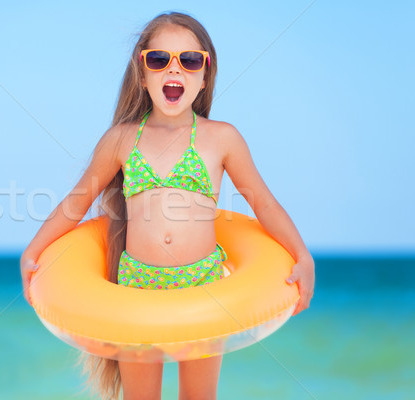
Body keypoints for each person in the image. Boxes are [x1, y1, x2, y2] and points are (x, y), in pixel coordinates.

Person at [20, 11, 315, 400]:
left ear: (204, 75)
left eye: (190, 60)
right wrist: (33, 251)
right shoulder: (121, 140)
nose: (174, 70)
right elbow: (77, 202)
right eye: (159, 59)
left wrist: (302, 255)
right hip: (137, 288)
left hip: (203, 286)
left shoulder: (222, 139)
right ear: (142, 74)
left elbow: (264, 203)